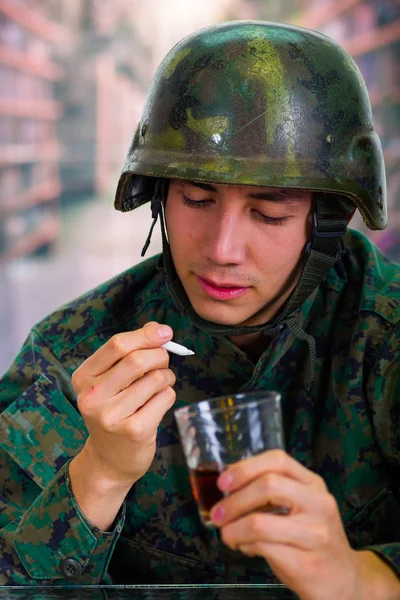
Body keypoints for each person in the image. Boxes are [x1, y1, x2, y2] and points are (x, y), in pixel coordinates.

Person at [0, 20, 399, 599]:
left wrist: (365, 581)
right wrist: (99, 474)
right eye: (197, 199)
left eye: (270, 213)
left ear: (327, 219)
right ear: (159, 196)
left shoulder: (382, 337)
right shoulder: (70, 352)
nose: (221, 250)